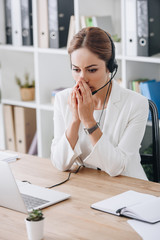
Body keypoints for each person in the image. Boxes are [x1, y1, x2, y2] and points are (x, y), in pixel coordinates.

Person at [51, 27, 149, 180]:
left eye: (91, 70)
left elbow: (117, 167)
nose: (82, 79)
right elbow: (59, 163)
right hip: (89, 187)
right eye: (76, 70)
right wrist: (75, 119)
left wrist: (89, 121)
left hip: (128, 187)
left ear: (110, 67)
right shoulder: (62, 100)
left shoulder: (136, 104)